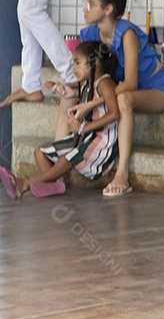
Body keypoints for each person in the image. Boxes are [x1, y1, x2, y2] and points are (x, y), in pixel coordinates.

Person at [78, 0, 164, 196]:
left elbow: (131, 83)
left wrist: (96, 101)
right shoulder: (90, 34)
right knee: (69, 98)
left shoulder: (127, 34)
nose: (85, 8)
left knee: (123, 99)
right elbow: (89, 74)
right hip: (123, 91)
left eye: (91, 4)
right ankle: (64, 157)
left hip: (158, 90)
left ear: (108, 9)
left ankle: (122, 174)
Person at [0, 41, 119, 200]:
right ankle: (54, 185)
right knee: (40, 152)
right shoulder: (86, 83)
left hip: (101, 143)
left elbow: (114, 114)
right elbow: (76, 90)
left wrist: (83, 127)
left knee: (66, 159)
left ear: (95, 63)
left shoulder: (105, 83)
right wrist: (60, 86)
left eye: (77, 62)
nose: (74, 67)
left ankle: (23, 184)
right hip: (84, 137)